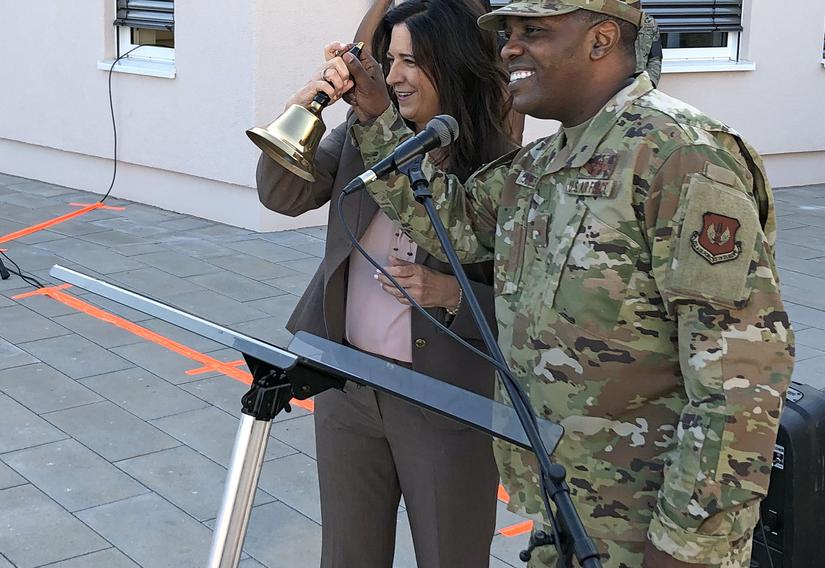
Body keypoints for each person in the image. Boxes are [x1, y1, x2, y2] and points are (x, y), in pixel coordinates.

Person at [335, 0, 796, 566]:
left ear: (602, 39)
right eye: (507, 32)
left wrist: (686, 547)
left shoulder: (680, 154)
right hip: (565, 509)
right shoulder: (539, 167)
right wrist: (379, 118)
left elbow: (740, 377)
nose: (508, 48)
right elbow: (449, 224)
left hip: (650, 528)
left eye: (535, 31)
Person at [255, 1, 515, 567]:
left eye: (412, 62)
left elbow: (536, 304)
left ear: (452, 64)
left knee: (451, 554)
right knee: (348, 555)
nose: (394, 76)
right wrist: (302, 111)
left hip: (444, 400)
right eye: (389, 59)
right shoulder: (357, 136)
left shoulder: (499, 163)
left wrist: (452, 295)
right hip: (348, 386)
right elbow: (283, 195)